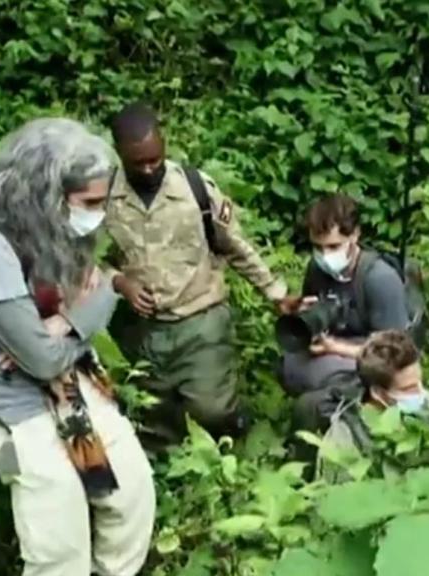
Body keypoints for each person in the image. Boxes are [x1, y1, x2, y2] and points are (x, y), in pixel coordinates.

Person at [0, 118, 156, 576]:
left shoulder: (39, 217)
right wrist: (101, 298)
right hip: (12, 401)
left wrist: (61, 325)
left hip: (73, 380)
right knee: (59, 545)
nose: (97, 215)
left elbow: (71, 299)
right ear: (48, 189)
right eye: (89, 203)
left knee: (131, 491)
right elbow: (41, 358)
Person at [101, 101, 289, 449]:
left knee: (212, 411)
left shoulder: (194, 188)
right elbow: (87, 261)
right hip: (142, 327)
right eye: (137, 162)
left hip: (199, 317)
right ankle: (173, 474)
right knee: (154, 417)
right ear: (119, 153)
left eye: (154, 159)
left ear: (164, 143)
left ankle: (233, 441)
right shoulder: (103, 197)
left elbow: (235, 244)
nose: (147, 169)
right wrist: (119, 282)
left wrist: (276, 292)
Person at [279, 194, 412, 471]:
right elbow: (316, 315)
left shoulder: (379, 279)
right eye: (318, 247)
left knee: (310, 405)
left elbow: (397, 354)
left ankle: (315, 451)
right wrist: (304, 316)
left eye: (334, 246)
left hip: (375, 358)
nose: (326, 256)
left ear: (355, 235)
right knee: (288, 365)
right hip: (337, 346)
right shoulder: (317, 268)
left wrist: (333, 348)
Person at [312, 329, 429, 483]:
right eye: (408, 389)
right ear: (378, 393)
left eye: (419, 383)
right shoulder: (342, 443)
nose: (421, 393)